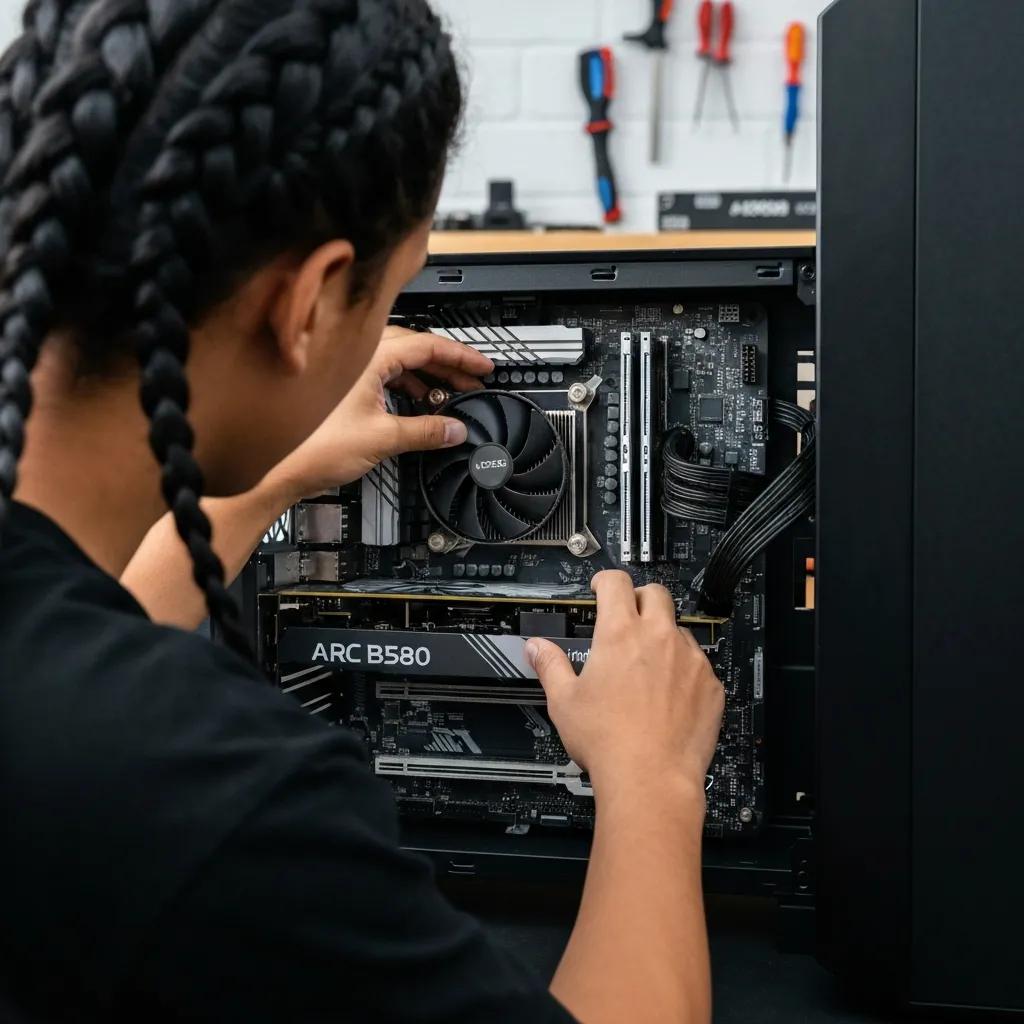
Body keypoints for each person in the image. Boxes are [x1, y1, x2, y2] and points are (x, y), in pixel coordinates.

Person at [0, 1, 725, 1022]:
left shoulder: (76, 706)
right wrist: (652, 784)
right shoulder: (221, 801)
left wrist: (258, 478)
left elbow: (80, 664)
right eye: (391, 294)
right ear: (308, 302)